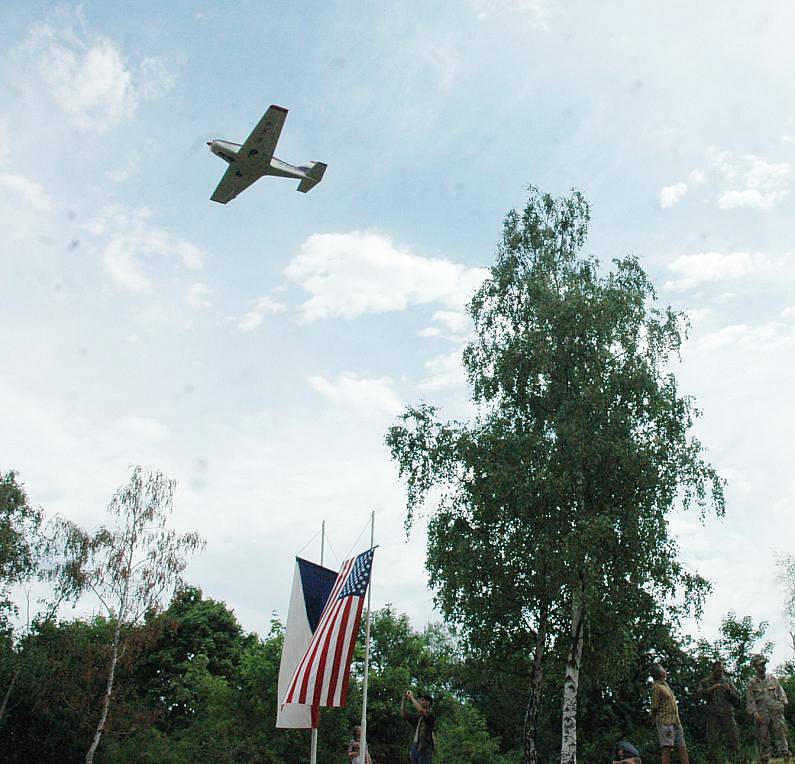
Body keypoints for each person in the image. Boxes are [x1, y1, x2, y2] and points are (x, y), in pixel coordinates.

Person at [746, 653, 791, 763]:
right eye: (760, 665)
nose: (762, 667)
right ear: (755, 667)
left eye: (763, 664)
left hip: (775, 712)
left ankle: (786, 756)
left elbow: (781, 694)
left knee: (780, 734)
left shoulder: (772, 679)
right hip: (762, 714)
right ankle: (765, 759)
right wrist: (755, 713)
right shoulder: (752, 683)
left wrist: (782, 705)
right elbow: (750, 701)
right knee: (763, 737)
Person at [694, 659, 740, 761]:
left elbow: (737, 699)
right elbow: (697, 696)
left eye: (721, 671)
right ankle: (713, 760)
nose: (720, 673)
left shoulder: (727, 681)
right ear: (713, 671)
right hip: (713, 714)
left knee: (733, 738)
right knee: (712, 740)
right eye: (717, 671)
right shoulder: (705, 682)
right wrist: (711, 689)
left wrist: (729, 691)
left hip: (727, 713)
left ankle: (734, 759)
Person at [650, 663, 690, 764]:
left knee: (682, 747)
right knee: (667, 749)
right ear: (658, 672)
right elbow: (654, 706)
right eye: (662, 668)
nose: (665, 670)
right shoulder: (656, 687)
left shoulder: (665, 684)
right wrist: (653, 719)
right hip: (665, 722)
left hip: (676, 721)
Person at [401, 689, 436, 764]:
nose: (421, 701)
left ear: (428, 702)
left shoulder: (431, 716)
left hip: (425, 749)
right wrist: (404, 700)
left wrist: (412, 698)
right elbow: (404, 714)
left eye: (423, 700)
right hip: (416, 747)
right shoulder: (418, 718)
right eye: (421, 700)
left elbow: (421, 711)